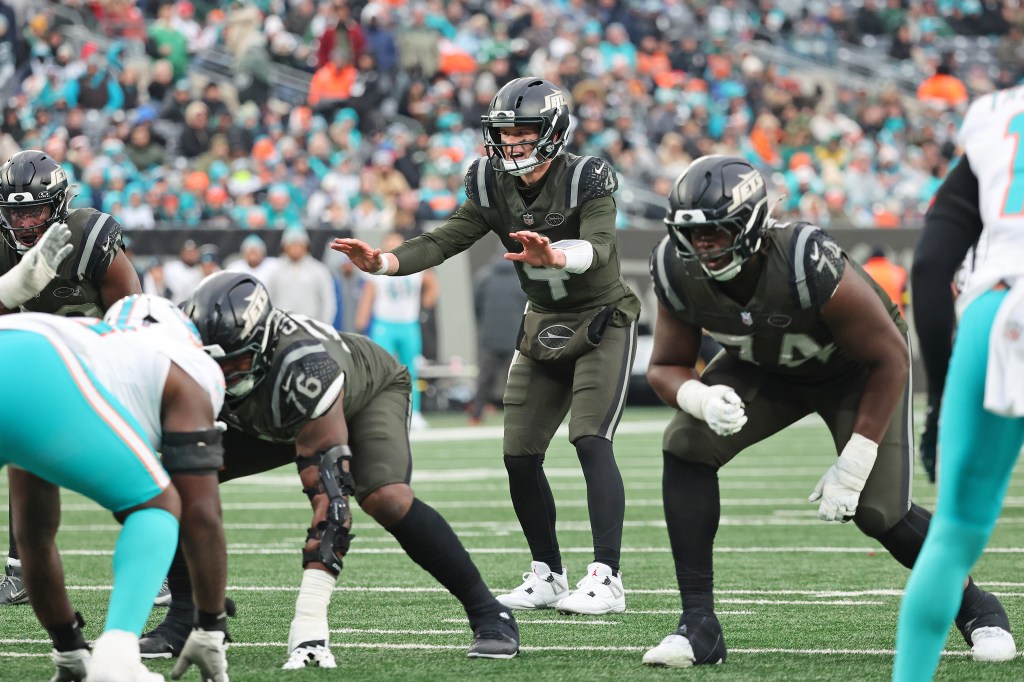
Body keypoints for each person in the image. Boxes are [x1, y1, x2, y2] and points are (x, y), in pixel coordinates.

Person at [639, 155, 1014, 668]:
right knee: (685, 443)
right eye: (693, 234)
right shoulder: (673, 266)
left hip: (857, 372)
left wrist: (856, 458)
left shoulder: (802, 257)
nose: (702, 247)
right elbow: (665, 365)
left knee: (878, 510)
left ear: (749, 224)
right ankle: (698, 625)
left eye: (717, 233)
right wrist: (698, 397)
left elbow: (890, 357)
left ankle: (976, 606)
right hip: (765, 366)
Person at [331, 76, 641, 615]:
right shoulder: (488, 180)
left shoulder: (585, 176)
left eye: (524, 133)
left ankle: (606, 577)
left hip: (601, 318)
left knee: (590, 438)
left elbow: (600, 246)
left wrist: (556, 256)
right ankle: (547, 574)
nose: (513, 145)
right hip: (543, 320)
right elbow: (444, 239)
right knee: (518, 454)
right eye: (506, 134)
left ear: (551, 132)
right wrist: (383, 262)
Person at [141, 271, 519, 665]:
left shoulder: (305, 369)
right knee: (173, 476)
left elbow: (331, 505)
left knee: (384, 497)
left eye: (239, 361)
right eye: (216, 362)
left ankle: (489, 612)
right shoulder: (183, 349)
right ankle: (187, 616)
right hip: (269, 411)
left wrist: (309, 627)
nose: (227, 374)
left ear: (264, 344)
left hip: (363, 392)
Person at [0, 294, 226, 682]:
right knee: (158, 504)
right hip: (44, 362)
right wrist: (210, 624)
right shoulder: (186, 364)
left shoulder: (93, 339)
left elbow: (33, 534)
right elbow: (201, 513)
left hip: (17, 339)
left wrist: (69, 648)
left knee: (33, 528)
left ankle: (73, 652)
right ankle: (117, 655)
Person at [894, 86, 1024, 680]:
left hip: (993, 316)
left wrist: (939, 402)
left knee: (952, 539)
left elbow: (927, 267)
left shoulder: (995, 114)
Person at [0, 149, 143, 607]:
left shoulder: (89, 236)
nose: (24, 224)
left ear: (59, 205)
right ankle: (21, 569)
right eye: (15, 213)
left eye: (34, 211)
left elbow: (132, 316)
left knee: (134, 461)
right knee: (25, 449)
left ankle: (159, 566)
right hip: (40, 362)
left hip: (105, 358)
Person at [354, 231, 438, 429]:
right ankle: (378, 412)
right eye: (389, 242)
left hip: (408, 324)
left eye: (397, 243)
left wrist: (426, 304)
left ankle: (413, 412)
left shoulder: (415, 266)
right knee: (381, 370)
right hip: (384, 324)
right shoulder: (378, 267)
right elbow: (368, 296)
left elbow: (431, 284)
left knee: (411, 370)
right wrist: (361, 322)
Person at [468, 252, 528, 425]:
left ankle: (476, 415)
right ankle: (519, 415)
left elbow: (476, 306)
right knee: (517, 378)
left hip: (489, 336)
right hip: (515, 336)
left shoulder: (484, 277)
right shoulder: (522, 278)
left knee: (485, 378)